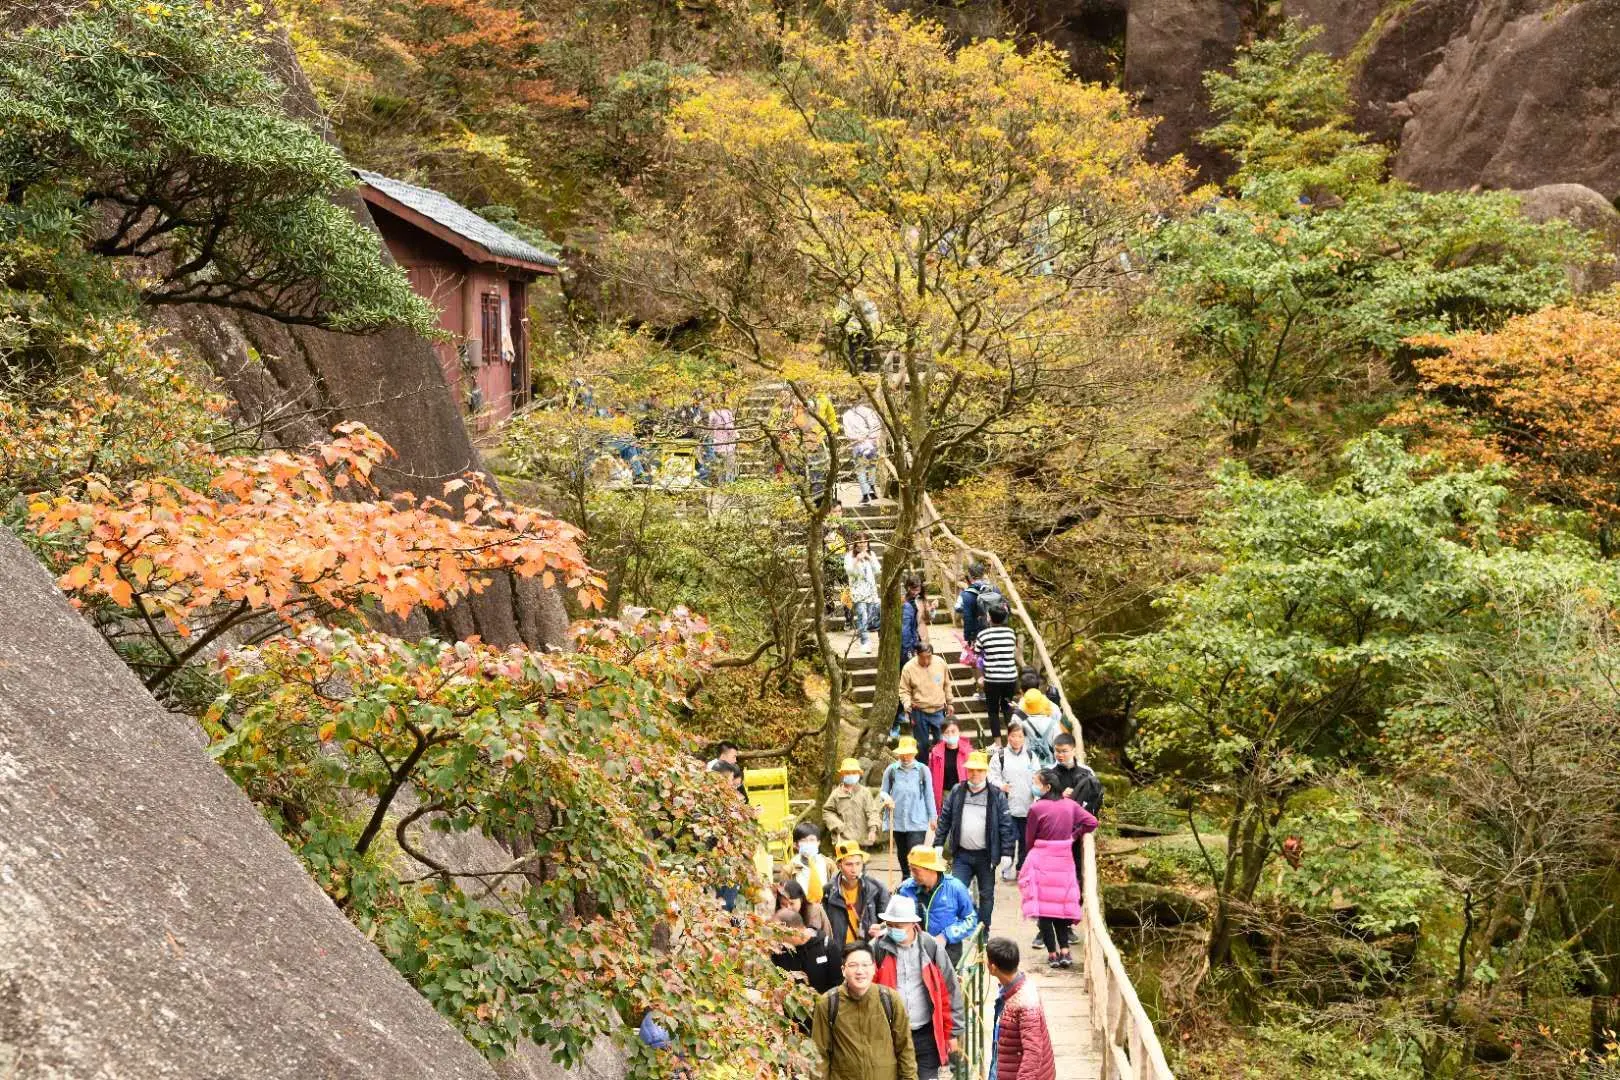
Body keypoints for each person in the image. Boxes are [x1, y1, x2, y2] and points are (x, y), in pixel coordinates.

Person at [873, 896, 963, 1080]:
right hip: (891, 1037)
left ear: (913, 923)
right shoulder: (877, 949)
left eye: (899, 926)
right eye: (890, 925)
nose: (894, 930)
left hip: (926, 1035)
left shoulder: (930, 948)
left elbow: (950, 990)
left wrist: (952, 1033)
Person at [1019, 768, 1099, 968]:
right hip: (1063, 859)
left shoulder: (1037, 809)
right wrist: (1073, 836)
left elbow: (1029, 840)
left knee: (1044, 910)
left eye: (1036, 783)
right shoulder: (1070, 806)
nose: (1034, 786)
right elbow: (1092, 822)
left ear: (1047, 787)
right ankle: (1065, 951)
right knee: (1060, 908)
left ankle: (1052, 954)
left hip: (1042, 860)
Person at [936, 750, 1018, 931]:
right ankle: (957, 928)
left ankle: (983, 931)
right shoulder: (958, 791)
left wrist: (1007, 853)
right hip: (962, 854)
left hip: (986, 856)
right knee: (955, 891)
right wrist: (938, 844)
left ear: (986, 771)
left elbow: (1006, 826)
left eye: (979, 770)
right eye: (971, 770)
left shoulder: (996, 795)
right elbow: (945, 819)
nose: (975, 774)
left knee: (986, 895)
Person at [812, 942, 917, 1080]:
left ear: (874, 968)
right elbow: (819, 1053)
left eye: (865, 965)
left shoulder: (890, 999)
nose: (860, 971)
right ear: (843, 970)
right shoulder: (828, 1003)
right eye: (853, 965)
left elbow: (905, 1048)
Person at [895, 846, 978, 966]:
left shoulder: (955, 888)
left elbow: (970, 919)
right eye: (910, 870)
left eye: (916, 871)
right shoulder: (905, 889)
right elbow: (894, 918)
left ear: (931, 869)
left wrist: (946, 936)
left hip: (947, 950)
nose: (912, 875)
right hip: (913, 949)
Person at [988, 938, 1056, 1080]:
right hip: (1006, 1066)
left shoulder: (1025, 1002)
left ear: (993, 967)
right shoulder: (1008, 988)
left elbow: (1033, 1051)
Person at [990, 722, 1040, 878]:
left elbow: (1038, 778)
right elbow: (991, 776)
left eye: (1020, 736)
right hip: (1008, 806)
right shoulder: (1000, 756)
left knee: (1026, 842)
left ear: (1024, 738)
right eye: (1013, 736)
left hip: (1028, 806)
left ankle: (1022, 869)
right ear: (1008, 736)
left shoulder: (1031, 756)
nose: (1016, 739)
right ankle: (1007, 868)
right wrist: (1001, 785)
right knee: (1008, 840)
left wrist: (1037, 794)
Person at [881, 737, 934, 879]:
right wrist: (886, 798)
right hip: (897, 819)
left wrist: (933, 817)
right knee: (902, 852)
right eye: (902, 754)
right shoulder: (891, 770)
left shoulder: (923, 770)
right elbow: (883, 791)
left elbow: (929, 794)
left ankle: (917, 878)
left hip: (917, 819)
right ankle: (905, 876)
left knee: (915, 852)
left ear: (915, 753)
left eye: (908, 754)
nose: (905, 757)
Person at [824, 841, 891, 949]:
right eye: (849, 864)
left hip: (868, 951)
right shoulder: (828, 892)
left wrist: (880, 928)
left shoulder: (877, 888)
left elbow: (890, 923)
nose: (854, 870)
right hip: (840, 952)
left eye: (858, 864)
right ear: (839, 865)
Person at [975, 605, 1019, 745]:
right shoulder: (1011, 633)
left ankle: (998, 744)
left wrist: (980, 677)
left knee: (993, 711)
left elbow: (977, 655)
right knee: (1007, 708)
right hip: (1010, 677)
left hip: (992, 678)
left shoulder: (983, 635)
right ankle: (1013, 741)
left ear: (990, 618)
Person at [900, 642, 953, 760]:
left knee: (941, 741)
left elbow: (947, 684)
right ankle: (923, 768)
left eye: (929, 657)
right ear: (916, 654)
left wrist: (950, 702)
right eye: (922, 658)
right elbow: (904, 690)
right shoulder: (908, 668)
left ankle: (940, 768)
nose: (926, 661)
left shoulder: (940, 663)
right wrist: (906, 703)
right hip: (919, 710)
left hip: (938, 709)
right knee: (921, 744)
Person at [773, 908, 842, 994]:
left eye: (777, 931)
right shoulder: (780, 951)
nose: (775, 935)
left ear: (790, 930)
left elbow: (838, 985)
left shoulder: (827, 947)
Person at [824, 758, 885, 849]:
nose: (851, 775)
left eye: (854, 773)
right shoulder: (836, 793)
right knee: (845, 862)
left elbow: (872, 812)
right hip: (842, 839)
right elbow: (827, 811)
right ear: (842, 774)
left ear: (859, 774)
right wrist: (836, 824)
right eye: (847, 773)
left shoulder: (865, 792)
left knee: (859, 862)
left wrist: (873, 829)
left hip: (862, 839)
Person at [1050, 734, 1104, 816]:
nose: (1060, 755)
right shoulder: (1049, 772)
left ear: (1074, 751)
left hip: (1081, 821)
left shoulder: (1087, 772)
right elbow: (1040, 800)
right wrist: (1060, 796)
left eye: (1064, 751)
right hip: (1056, 819)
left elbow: (1097, 798)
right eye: (1057, 751)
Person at [926, 720, 972, 815]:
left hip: (963, 793)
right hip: (944, 794)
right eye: (946, 732)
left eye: (953, 731)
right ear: (942, 734)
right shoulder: (935, 753)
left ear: (959, 731)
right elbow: (930, 775)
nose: (950, 734)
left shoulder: (968, 752)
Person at [842, 398, 882, 504]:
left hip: (858, 446)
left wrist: (857, 438)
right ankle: (872, 490)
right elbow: (877, 428)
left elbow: (848, 434)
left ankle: (865, 495)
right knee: (872, 468)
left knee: (861, 470)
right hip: (871, 445)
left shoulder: (846, 415)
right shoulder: (869, 412)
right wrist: (871, 440)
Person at [788, 822, 839, 904]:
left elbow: (837, 887)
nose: (808, 844)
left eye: (812, 840)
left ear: (818, 842)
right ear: (796, 845)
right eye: (803, 841)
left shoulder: (828, 864)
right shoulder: (789, 868)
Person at [844, 537, 881, 651]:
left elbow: (878, 570)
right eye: (860, 542)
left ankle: (868, 635)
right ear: (855, 544)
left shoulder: (871, 554)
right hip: (857, 591)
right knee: (862, 616)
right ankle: (865, 642)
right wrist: (856, 560)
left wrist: (869, 557)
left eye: (865, 541)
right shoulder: (849, 555)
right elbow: (848, 571)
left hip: (871, 591)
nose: (862, 544)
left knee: (871, 617)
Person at [956, 562, 999, 648]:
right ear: (983, 573)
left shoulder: (967, 593)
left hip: (976, 633)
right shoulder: (995, 589)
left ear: (970, 575)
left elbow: (958, 608)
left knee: (978, 658)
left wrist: (967, 637)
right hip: (994, 632)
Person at [705, 397, 738, 484]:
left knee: (721, 465)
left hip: (717, 443)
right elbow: (730, 427)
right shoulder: (727, 412)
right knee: (728, 465)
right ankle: (728, 483)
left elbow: (710, 428)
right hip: (727, 443)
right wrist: (735, 436)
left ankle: (722, 484)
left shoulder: (712, 413)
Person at [899, 576, 929, 670]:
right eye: (913, 589)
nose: (916, 592)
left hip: (921, 634)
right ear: (908, 588)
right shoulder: (904, 602)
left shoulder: (922, 599)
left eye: (918, 589)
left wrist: (931, 610)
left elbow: (928, 618)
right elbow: (905, 627)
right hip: (910, 638)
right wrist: (907, 646)